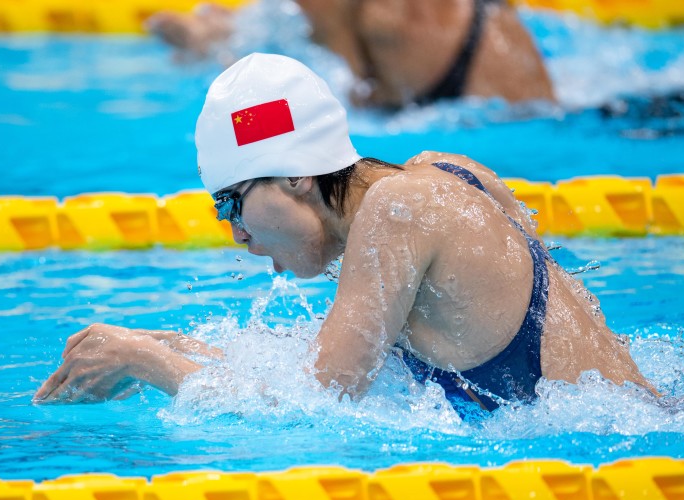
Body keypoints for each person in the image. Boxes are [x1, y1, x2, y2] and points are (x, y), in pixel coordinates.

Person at [33, 53, 652, 416]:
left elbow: (316, 406)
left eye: (232, 205)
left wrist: (142, 361)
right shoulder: (441, 174)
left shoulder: (395, 215)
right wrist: (153, 340)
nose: (239, 237)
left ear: (297, 176)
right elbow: (312, 364)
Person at [148, 0, 555, 107]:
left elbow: (355, 94)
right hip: (488, 33)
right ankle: (213, 32)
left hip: (463, 71)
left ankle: (212, 34)